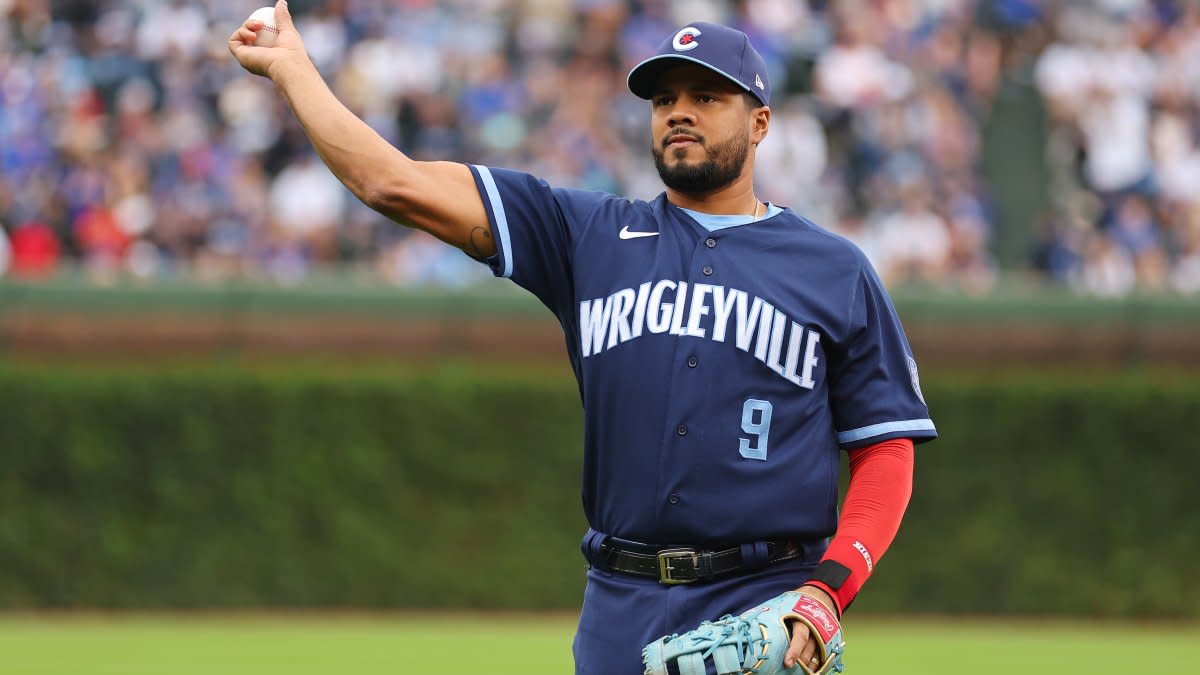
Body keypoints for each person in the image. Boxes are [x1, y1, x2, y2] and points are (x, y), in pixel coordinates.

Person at [229, 4, 937, 673]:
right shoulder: (586, 235)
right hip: (618, 604)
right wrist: (293, 69)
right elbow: (392, 183)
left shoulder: (833, 268)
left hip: (767, 600)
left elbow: (884, 448)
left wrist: (828, 590)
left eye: (707, 96)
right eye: (664, 100)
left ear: (759, 123)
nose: (679, 111)